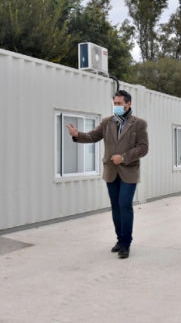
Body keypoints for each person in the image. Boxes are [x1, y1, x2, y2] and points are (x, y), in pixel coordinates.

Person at [67, 90, 149, 259]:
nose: (116, 106)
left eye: (119, 103)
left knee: (125, 205)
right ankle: (119, 240)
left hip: (129, 171)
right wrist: (77, 135)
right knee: (116, 207)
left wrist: (124, 157)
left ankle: (126, 244)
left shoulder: (139, 124)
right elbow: (92, 136)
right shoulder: (106, 122)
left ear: (128, 104)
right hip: (111, 171)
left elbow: (143, 148)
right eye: (115, 103)